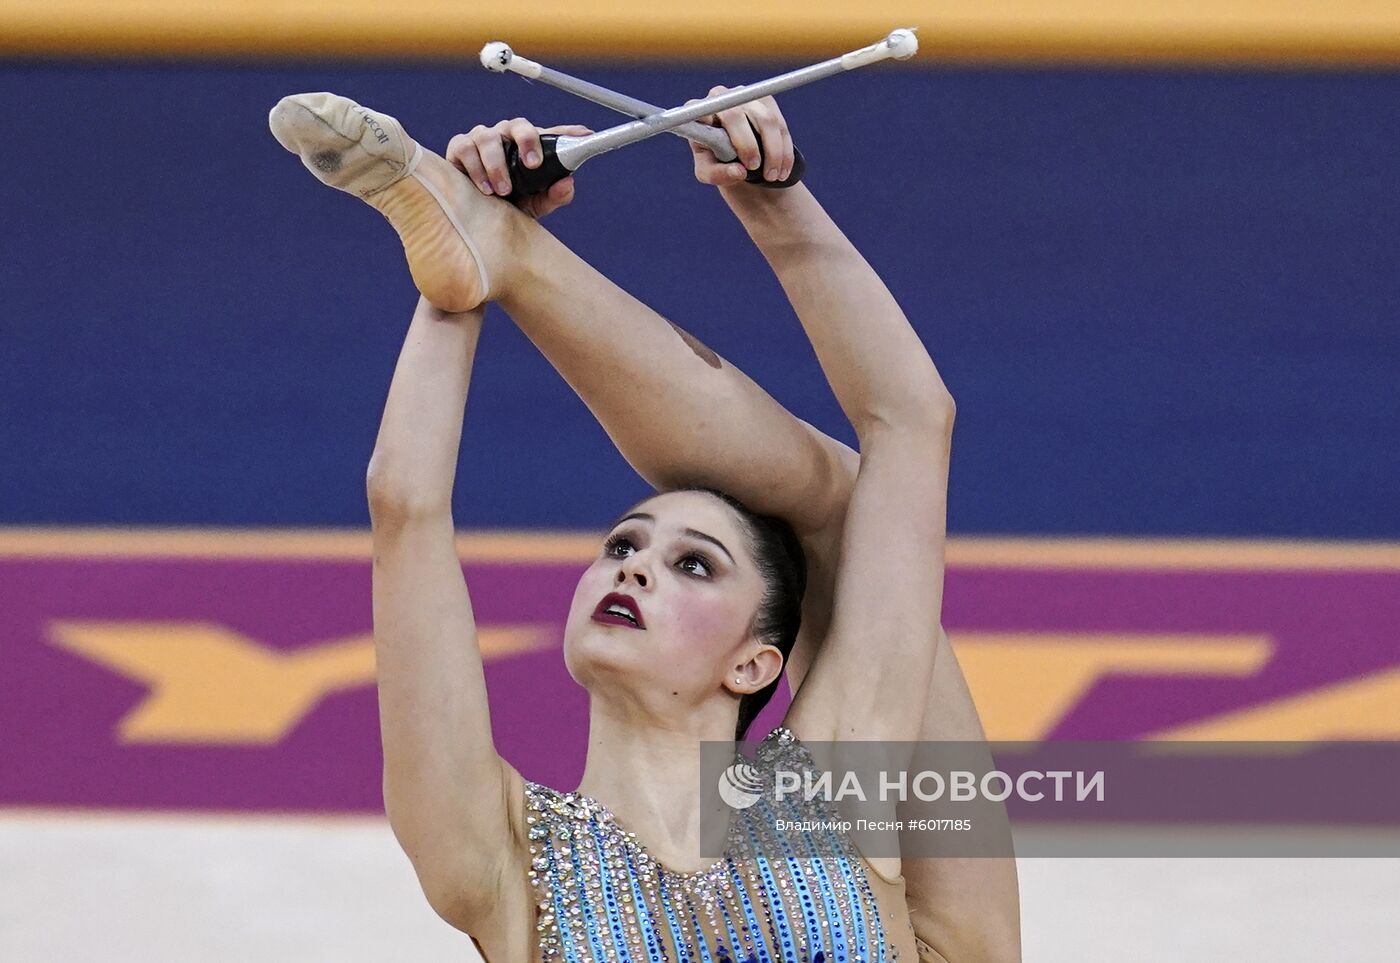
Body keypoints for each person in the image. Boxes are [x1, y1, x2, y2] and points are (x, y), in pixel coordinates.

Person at [269, 87, 1020, 962]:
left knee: (858, 516)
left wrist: (775, 201)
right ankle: (493, 245)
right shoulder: (503, 854)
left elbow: (914, 420)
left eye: (692, 564)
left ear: (756, 663)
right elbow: (405, 507)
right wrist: (448, 289)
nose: (632, 568)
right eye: (622, 545)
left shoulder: (828, 785)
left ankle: (500, 246)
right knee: (849, 513)